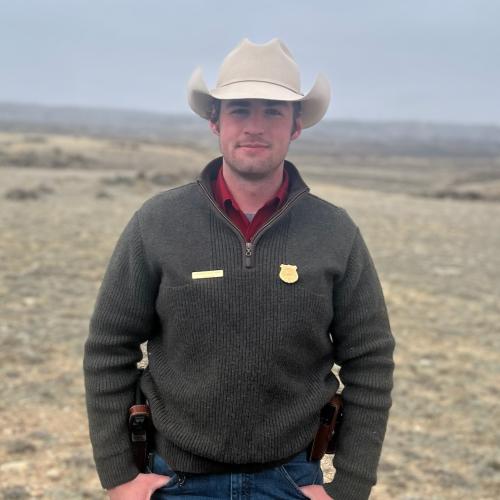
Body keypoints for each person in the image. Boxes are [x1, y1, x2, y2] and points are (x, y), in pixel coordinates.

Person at [83, 38, 395, 500]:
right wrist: (119, 476)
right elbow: (109, 348)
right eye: (239, 110)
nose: (255, 126)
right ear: (215, 122)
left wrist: (349, 487)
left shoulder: (335, 230)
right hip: (176, 480)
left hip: (294, 480)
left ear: (296, 127)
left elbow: (370, 358)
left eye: (273, 111)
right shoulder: (158, 222)